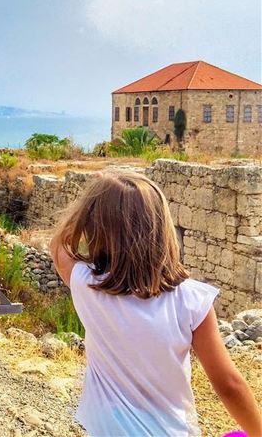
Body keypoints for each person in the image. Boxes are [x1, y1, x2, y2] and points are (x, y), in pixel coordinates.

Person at [49, 171, 261, 437]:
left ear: (95, 228)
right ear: (162, 228)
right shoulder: (192, 301)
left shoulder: (87, 285)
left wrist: (90, 200)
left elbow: (58, 246)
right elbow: (228, 384)